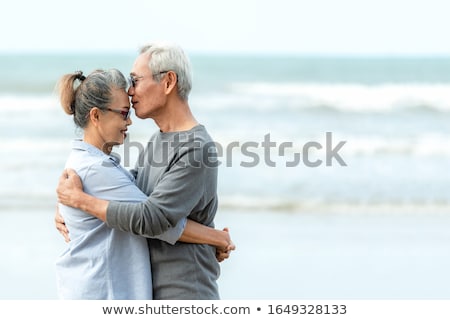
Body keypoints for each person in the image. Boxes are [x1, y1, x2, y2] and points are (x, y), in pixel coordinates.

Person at [57, 42, 230, 299]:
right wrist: (68, 207)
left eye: (135, 80)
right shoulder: (159, 140)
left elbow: (153, 217)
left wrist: (82, 201)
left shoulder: (196, 149)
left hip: (184, 292)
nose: (130, 90)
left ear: (169, 81)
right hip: (149, 291)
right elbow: (131, 191)